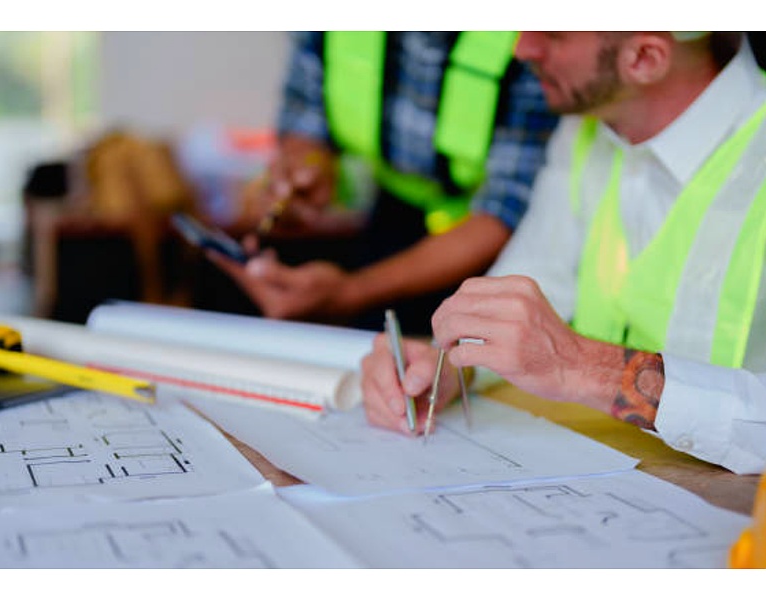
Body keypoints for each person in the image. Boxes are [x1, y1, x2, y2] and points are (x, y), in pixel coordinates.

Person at [360, 31, 766, 475]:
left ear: (646, 58)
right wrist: (450, 363)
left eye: (553, 32)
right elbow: (534, 278)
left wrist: (586, 368)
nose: (522, 47)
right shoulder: (586, 128)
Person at [205, 32, 558, 335]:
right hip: (389, 215)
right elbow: (306, 114)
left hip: (489, 251)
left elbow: (508, 204)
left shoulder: (528, 39)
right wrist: (306, 166)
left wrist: (351, 292)